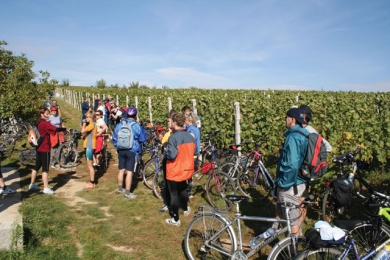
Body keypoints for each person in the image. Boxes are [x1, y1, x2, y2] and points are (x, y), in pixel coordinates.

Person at [273, 107, 309, 236]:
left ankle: (294, 253)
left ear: (292, 119)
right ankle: (289, 247)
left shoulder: (293, 137)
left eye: (286, 117)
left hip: (291, 184)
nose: (285, 120)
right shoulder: (303, 133)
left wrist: (283, 184)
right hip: (299, 181)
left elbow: (292, 164)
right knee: (286, 215)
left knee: (292, 221)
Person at [297, 104, 332, 232]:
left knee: (301, 200)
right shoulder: (299, 129)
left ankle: (297, 232)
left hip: (304, 171)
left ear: (303, 116)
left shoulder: (310, 131)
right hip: (298, 171)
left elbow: (327, 147)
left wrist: (312, 159)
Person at [164, 113, 195, 226]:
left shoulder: (173, 138)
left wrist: (165, 152)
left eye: (171, 121)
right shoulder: (190, 136)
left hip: (175, 169)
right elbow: (194, 151)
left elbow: (171, 155)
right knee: (183, 189)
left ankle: (176, 219)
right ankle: (186, 209)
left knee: (173, 194)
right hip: (187, 169)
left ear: (175, 123)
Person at [29, 108, 67, 194]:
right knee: (45, 169)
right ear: (41, 115)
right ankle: (46, 188)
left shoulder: (38, 122)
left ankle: (32, 184)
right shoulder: (45, 124)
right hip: (45, 148)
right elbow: (56, 129)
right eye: (46, 113)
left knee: (36, 167)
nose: (48, 115)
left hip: (38, 147)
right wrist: (65, 129)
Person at [112, 107, 145, 199]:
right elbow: (142, 138)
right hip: (132, 150)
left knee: (121, 170)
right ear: (135, 115)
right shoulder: (136, 126)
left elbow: (114, 138)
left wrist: (118, 147)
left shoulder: (120, 124)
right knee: (130, 172)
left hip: (121, 150)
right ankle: (127, 193)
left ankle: (120, 189)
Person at [158, 109, 177, 213]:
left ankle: (169, 205)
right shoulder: (170, 134)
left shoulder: (171, 135)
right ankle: (169, 203)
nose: (167, 123)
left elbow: (165, 148)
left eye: (168, 121)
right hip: (171, 162)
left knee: (170, 185)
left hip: (170, 162)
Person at [184, 112, 200, 199]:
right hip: (195, 154)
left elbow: (190, 142)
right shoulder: (195, 128)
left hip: (191, 154)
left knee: (188, 174)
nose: (184, 121)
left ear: (189, 120)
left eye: (185, 119)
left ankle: (188, 192)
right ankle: (189, 191)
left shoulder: (191, 130)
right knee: (190, 174)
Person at [81, 110, 97, 188]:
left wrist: (83, 123)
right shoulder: (92, 124)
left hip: (89, 147)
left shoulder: (91, 124)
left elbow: (82, 131)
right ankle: (91, 181)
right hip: (89, 146)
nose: (86, 118)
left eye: (87, 117)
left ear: (91, 117)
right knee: (89, 165)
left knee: (90, 165)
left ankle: (92, 182)